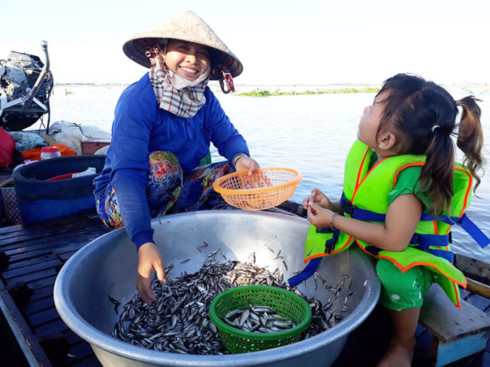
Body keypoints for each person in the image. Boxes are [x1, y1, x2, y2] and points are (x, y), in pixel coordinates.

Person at [301, 73, 485, 367]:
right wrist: (331, 206)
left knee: (393, 273)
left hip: (408, 260)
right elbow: (363, 210)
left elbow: (395, 241)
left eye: (373, 108)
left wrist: (333, 221)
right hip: (372, 248)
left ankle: (404, 345)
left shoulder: (409, 179)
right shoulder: (376, 157)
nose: (365, 112)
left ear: (387, 138)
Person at [93, 11, 259, 305]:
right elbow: (128, 174)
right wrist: (144, 243)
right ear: (160, 50)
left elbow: (228, 137)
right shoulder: (139, 99)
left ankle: (176, 223)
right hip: (120, 199)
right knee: (163, 167)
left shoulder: (205, 99)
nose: (193, 59)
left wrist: (241, 158)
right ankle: (151, 235)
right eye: (183, 48)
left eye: (201, 53)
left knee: (232, 177)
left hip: (176, 189)